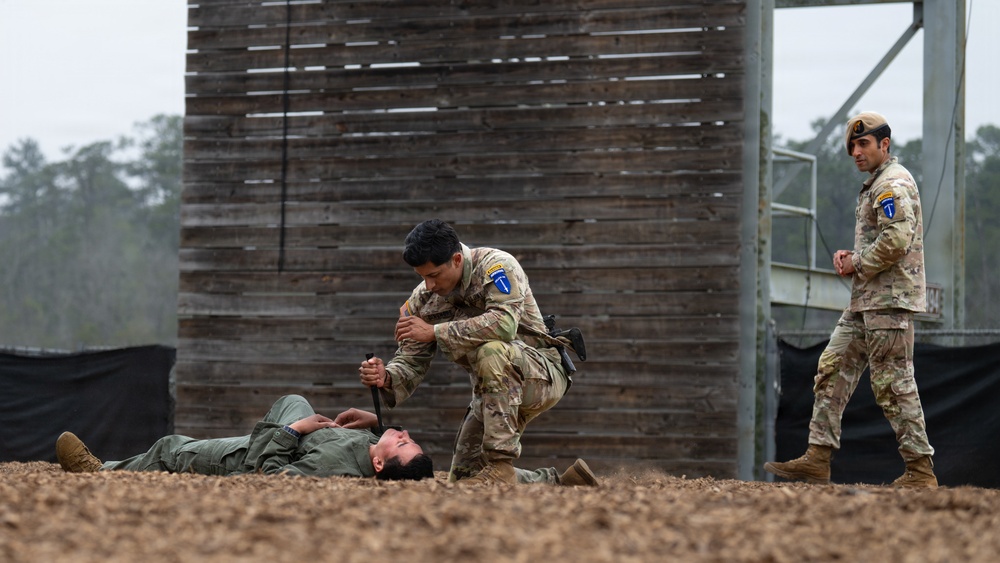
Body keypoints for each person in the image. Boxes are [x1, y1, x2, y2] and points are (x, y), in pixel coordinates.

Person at [764, 111, 937, 488]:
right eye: (852, 147)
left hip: (888, 303)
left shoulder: (892, 185)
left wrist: (856, 262)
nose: (856, 152)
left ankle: (921, 471)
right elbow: (885, 240)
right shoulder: (876, 185)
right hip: (867, 301)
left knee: (894, 384)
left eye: (863, 144)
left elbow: (896, 241)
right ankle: (818, 458)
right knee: (832, 366)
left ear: (884, 145)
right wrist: (852, 259)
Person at [357, 219, 598, 486]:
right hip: (493, 393)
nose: (428, 285)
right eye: (422, 277)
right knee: (465, 480)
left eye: (434, 275)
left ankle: (500, 461)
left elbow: (504, 324)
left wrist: (436, 332)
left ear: (457, 259)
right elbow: (412, 359)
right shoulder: (424, 299)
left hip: (541, 374)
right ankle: (562, 483)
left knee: (491, 350)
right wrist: (386, 376)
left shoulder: (496, 267)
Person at [55, 394, 434, 481]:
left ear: (380, 464)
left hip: (243, 460)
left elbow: (271, 477)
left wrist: (292, 431)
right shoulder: (371, 446)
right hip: (268, 442)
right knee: (297, 400)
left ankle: (98, 472)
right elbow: (387, 436)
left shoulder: (334, 470)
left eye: (400, 442)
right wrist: (372, 422)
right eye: (407, 435)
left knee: (170, 449)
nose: (401, 433)